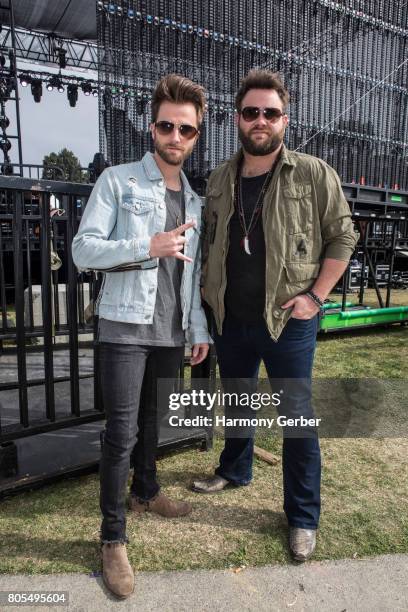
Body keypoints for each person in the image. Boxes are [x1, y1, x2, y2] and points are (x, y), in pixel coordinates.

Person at [192, 69, 358, 562]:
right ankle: (235, 469)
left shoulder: (311, 172)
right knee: (237, 401)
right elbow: (210, 242)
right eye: (251, 112)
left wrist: (317, 297)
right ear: (237, 118)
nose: (260, 120)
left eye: (270, 112)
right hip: (231, 318)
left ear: (285, 119)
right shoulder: (221, 177)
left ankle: (303, 517)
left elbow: (343, 236)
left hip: (288, 320)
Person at [72, 74, 211, 599]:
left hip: (171, 330)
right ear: (152, 127)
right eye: (166, 125)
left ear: (197, 135)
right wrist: (145, 244)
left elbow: (191, 278)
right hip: (126, 326)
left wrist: (197, 329)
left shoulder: (194, 201)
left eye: (186, 129)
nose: (175, 136)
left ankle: (146, 491)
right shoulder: (119, 181)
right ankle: (112, 538)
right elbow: (84, 251)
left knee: (153, 421)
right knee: (122, 431)